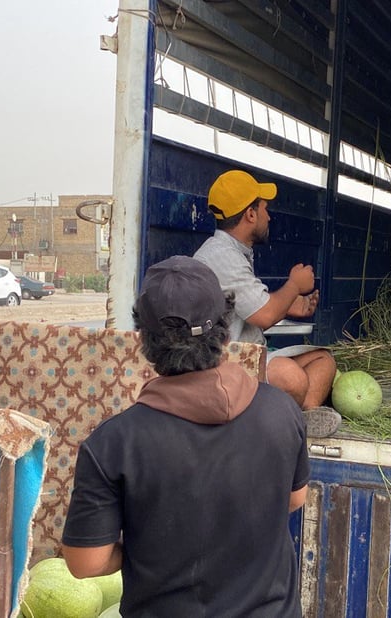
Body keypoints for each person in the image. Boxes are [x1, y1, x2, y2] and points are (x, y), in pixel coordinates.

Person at [62, 256, 309, 617]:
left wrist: (145, 548)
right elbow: (295, 498)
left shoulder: (113, 443)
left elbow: (85, 562)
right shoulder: (281, 410)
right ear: (225, 330)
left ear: (144, 340)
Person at [193, 169, 340, 437]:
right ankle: (281, 428)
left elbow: (252, 306)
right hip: (230, 363)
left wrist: (291, 305)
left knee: (323, 359)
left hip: (252, 355)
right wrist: (294, 285)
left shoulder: (234, 252)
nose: (268, 216)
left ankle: (306, 415)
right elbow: (263, 315)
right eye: (264, 209)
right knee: (290, 376)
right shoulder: (222, 257)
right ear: (250, 214)